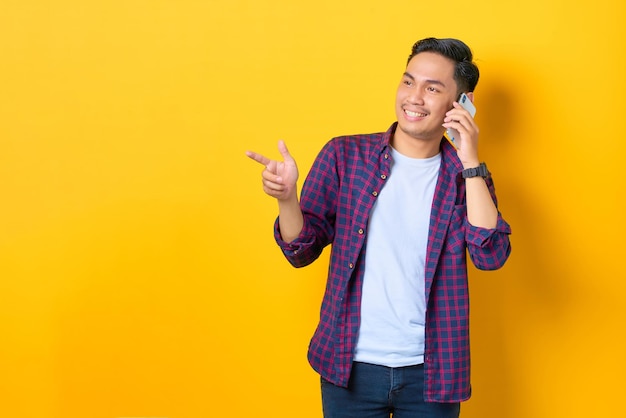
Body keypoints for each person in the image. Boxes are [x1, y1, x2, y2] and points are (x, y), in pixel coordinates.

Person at [246, 37, 511, 418]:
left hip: (432, 374)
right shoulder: (345, 155)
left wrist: (470, 158)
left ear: (462, 104)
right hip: (349, 366)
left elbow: (491, 255)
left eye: (432, 88)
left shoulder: (464, 177)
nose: (414, 97)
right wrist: (287, 199)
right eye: (408, 81)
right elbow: (300, 250)